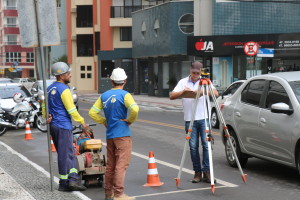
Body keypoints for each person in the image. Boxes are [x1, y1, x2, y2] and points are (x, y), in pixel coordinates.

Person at [88, 67, 139, 200]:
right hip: (122, 134)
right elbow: (135, 109)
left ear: (111, 81)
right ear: (125, 81)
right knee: (121, 165)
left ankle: (108, 193)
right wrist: (129, 120)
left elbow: (92, 112)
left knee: (111, 165)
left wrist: (104, 121)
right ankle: (119, 194)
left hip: (110, 135)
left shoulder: (104, 96)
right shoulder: (125, 95)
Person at [44, 62, 92, 191]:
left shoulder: (49, 89)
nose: (70, 75)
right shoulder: (64, 89)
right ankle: (66, 183)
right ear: (61, 75)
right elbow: (71, 109)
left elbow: (44, 107)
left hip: (54, 126)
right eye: (68, 73)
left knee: (66, 153)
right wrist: (82, 122)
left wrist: (46, 117)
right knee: (66, 154)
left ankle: (70, 179)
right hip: (63, 125)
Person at [169, 61, 218, 183]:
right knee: (193, 147)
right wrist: (183, 93)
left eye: (197, 73)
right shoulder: (183, 82)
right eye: (193, 72)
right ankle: (197, 172)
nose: (195, 75)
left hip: (204, 118)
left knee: (207, 146)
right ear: (190, 70)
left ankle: (207, 172)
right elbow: (171, 96)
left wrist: (202, 92)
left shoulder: (205, 81)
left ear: (200, 72)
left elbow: (216, 94)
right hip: (189, 119)